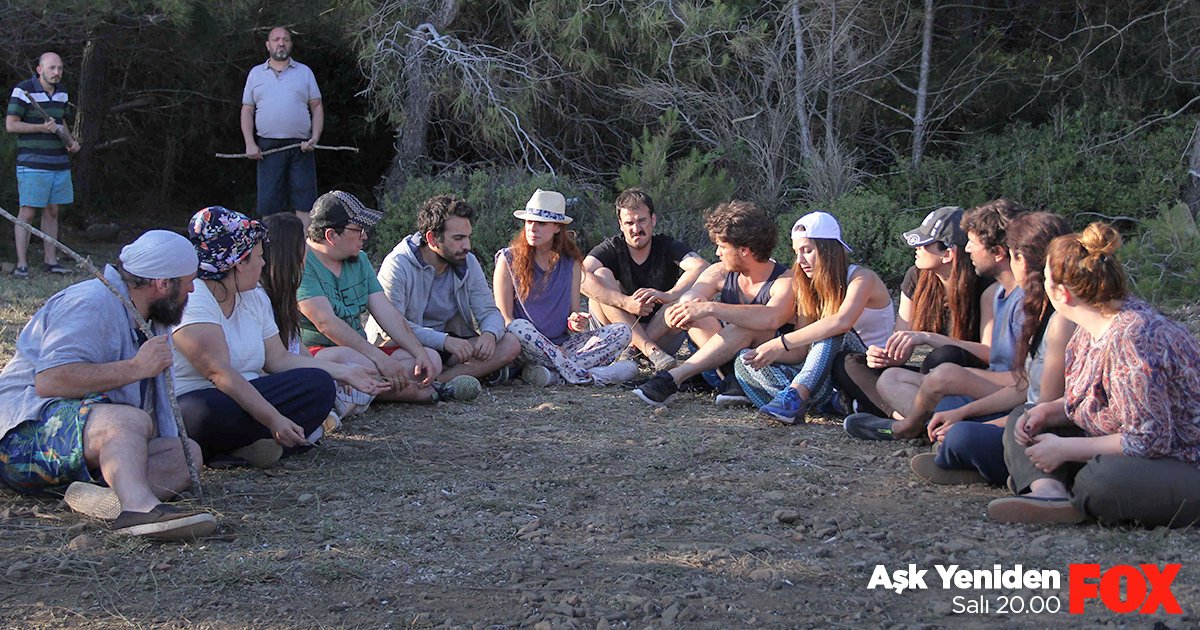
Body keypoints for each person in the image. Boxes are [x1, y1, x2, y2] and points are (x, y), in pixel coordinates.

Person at [0, 230, 215, 539]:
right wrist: (135, 368)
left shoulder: (152, 318)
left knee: (186, 453)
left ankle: (104, 499)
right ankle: (138, 510)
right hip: (21, 439)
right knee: (127, 420)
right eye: (188, 281)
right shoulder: (90, 303)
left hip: (82, 447)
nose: (192, 289)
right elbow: (49, 380)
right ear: (162, 284)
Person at [989, 223, 1200, 527]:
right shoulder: (1088, 328)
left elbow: (1150, 439)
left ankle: (1075, 494)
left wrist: (1066, 449)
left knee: (1101, 480)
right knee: (1023, 416)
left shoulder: (1134, 337)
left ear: (1062, 293)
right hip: (1127, 448)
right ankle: (1049, 492)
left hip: (1183, 460)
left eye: (1046, 278)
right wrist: (1050, 411)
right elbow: (1095, 403)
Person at [172, 207, 388, 467]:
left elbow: (279, 359)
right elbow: (219, 374)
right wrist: (273, 419)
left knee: (318, 385)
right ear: (239, 262)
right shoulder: (195, 299)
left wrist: (342, 372)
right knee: (204, 411)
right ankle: (248, 444)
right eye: (259, 257)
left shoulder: (254, 296)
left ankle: (244, 449)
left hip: (252, 394)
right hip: (203, 401)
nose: (264, 264)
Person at [911, 212, 1075, 485]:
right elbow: (1024, 388)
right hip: (1027, 414)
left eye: (1013, 256)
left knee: (961, 435)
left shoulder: (1058, 318)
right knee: (952, 409)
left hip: (1046, 426)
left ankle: (993, 468)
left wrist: (978, 425)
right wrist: (962, 414)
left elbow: (1041, 408)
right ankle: (975, 461)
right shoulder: (1037, 305)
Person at [844, 199, 1025, 440]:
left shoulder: (990, 287)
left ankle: (918, 424)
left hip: (970, 371)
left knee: (944, 357)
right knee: (866, 369)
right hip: (937, 374)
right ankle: (925, 422)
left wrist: (930, 338)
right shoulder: (917, 277)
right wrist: (888, 355)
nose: (916, 249)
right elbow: (902, 340)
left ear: (948, 254)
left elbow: (992, 354)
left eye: (925, 244)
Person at [297, 191, 480, 403]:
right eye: (358, 230)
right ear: (331, 235)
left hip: (362, 354)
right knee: (354, 361)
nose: (364, 236)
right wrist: (379, 359)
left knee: (431, 359)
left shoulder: (360, 260)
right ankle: (407, 392)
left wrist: (418, 351)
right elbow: (325, 323)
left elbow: (387, 313)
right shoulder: (303, 263)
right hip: (320, 354)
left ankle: (361, 393)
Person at [734, 212, 894, 423]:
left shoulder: (861, 278)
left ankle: (800, 397)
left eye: (807, 251)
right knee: (744, 361)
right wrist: (766, 353)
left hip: (866, 366)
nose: (800, 260)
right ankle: (826, 402)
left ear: (829, 250)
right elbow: (800, 352)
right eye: (796, 252)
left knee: (830, 328)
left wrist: (780, 343)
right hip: (826, 372)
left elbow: (841, 322)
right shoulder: (806, 285)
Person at [632, 200, 795, 406]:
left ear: (744, 249)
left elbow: (771, 318)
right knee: (693, 311)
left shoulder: (784, 282)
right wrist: (688, 306)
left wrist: (711, 307)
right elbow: (691, 299)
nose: (717, 253)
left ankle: (674, 378)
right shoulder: (719, 272)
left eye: (722, 246)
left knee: (747, 326)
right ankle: (731, 378)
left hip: (761, 367)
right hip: (715, 369)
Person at [367, 195, 522, 385]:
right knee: (429, 357)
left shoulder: (467, 261)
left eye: (467, 237)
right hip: (406, 345)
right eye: (458, 238)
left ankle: (440, 381)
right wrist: (444, 341)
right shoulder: (398, 264)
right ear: (432, 238)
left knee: (510, 344)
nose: (467, 246)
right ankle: (462, 375)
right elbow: (392, 328)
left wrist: (490, 334)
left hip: (452, 346)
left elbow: (488, 311)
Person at [493, 189, 637, 386]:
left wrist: (576, 322)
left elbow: (572, 319)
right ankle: (585, 375)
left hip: (563, 347)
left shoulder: (571, 263)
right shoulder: (507, 259)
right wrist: (549, 349)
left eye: (541, 223)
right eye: (528, 222)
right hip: (524, 346)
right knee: (519, 326)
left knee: (623, 332)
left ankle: (551, 376)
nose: (532, 228)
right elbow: (505, 319)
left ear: (556, 228)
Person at [582, 188, 709, 371]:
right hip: (618, 335)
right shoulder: (611, 247)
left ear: (653, 220)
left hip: (661, 335)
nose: (636, 229)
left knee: (683, 299)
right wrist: (626, 303)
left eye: (642, 220)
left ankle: (635, 349)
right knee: (600, 276)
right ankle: (647, 349)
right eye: (629, 223)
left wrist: (667, 295)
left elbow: (701, 266)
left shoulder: (667, 245)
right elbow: (581, 276)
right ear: (620, 224)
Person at [6, 52, 81, 278]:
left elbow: (61, 121)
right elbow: (11, 125)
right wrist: (40, 128)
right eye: (51, 68)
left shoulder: (62, 93)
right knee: (27, 212)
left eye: (59, 68)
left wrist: (70, 142)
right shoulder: (23, 90)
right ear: (40, 69)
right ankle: (22, 265)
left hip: (58, 162)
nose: (56, 72)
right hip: (32, 163)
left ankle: (51, 261)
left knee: (53, 210)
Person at [241, 27, 322, 223]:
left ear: (291, 44)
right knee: (270, 203)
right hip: (267, 148)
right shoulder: (255, 74)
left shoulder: (304, 72)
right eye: (276, 39)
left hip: (301, 147)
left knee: (305, 202)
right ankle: (271, 250)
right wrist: (250, 143)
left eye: (285, 39)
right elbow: (247, 110)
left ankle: (305, 251)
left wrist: (315, 139)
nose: (281, 43)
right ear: (268, 45)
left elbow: (317, 106)